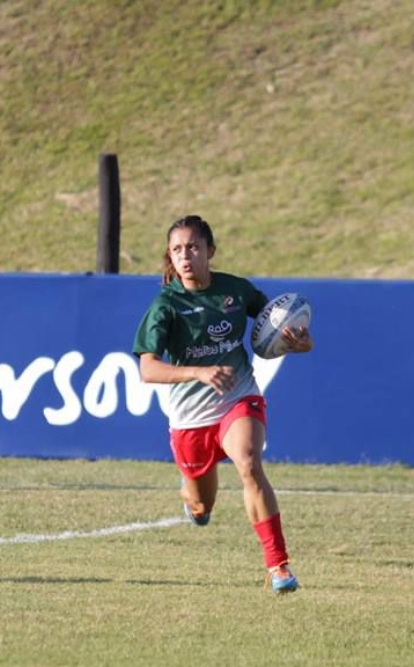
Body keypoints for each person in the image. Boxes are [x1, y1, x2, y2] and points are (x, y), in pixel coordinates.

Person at [132, 214, 313, 594]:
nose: (185, 256)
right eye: (177, 249)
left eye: (193, 247)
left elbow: (277, 325)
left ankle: (279, 566)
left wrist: (300, 342)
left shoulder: (236, 291)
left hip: (237, 395)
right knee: (201, 506)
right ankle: (195, 504)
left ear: (210, 252)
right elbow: (147, 369)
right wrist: (197, 372)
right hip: (189, 416)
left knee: (249, 463)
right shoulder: (166, 304)